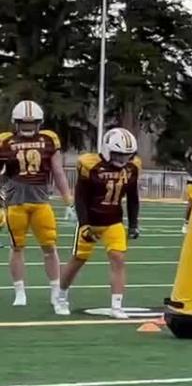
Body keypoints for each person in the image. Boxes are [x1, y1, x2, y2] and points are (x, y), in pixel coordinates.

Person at [55, 128, 141, 319]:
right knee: (78, 259)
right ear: (107, 149)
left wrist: (134, 224)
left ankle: (116, 306)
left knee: (118, 258)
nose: (123, 159)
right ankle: (61, 296)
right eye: (118, 154)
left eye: (126, 155)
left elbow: (133, 198)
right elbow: (80, 198)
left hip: (114, 221)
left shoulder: (132, 168)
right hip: (91, 220)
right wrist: (84, 225)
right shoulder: (90, 165)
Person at [1, 100, 74, 310]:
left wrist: (68, 201)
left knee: (50, 247)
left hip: (41, 201)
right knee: (16, 247)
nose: (28, 127)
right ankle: (19, 291)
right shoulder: (5, 141)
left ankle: (55, 291)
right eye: (24, 123)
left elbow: (58, 171)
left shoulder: (49, 139)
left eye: (31, 123)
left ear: (39, 123)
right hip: (15, 202)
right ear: (16, 123)